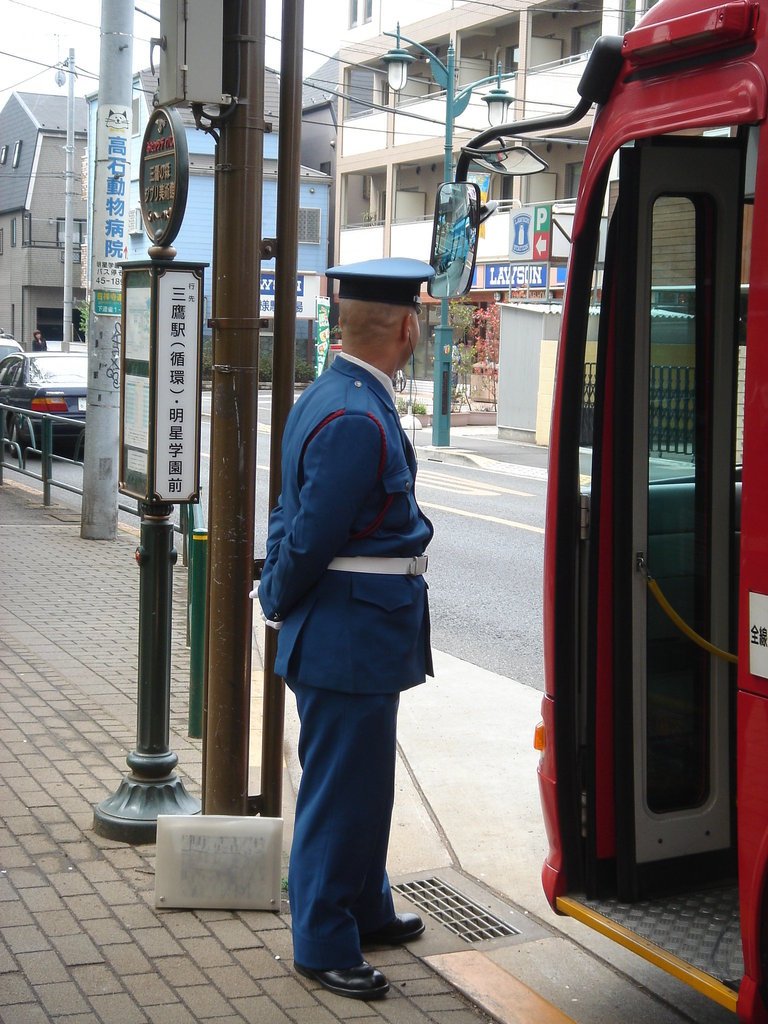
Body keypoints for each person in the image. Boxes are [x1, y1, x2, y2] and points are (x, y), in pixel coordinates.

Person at [256, 257, 435, 1001]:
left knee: (365, 782)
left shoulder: (335, 395)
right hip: (348, 633)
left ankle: (364, 904)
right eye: (418, 314)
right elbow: (310, 534)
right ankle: (323, 939)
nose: (419, 323)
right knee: (340, 788)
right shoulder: (357, 416)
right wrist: (276, 594)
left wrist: (280, 587)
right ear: (403, 326)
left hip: (357, 631)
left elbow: (286, 510)